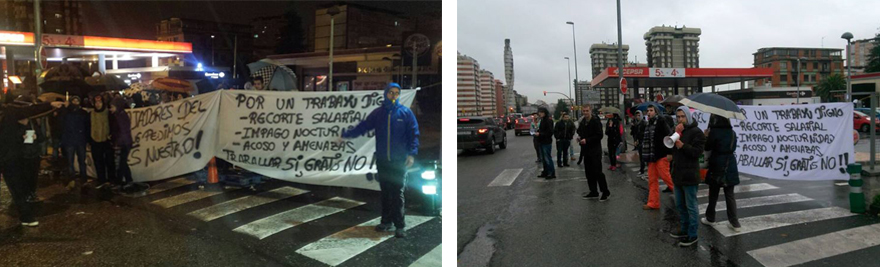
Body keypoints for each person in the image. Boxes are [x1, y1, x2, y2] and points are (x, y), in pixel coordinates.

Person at [341, 83, 419, 238]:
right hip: (383, 160)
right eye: (391, 92)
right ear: (385, 94)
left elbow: (414, 134)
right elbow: (363, 127)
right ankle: (386, 221)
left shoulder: (405, 113)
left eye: (396, 93)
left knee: (397, 193)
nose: (393, 95)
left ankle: (400, 225)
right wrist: (346, 135)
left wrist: (411, 154)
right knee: (385, 192)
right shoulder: (378, 113)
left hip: (399, 161)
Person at [0, 99, 61, 226]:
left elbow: (30, 111)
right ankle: (26, 216)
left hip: (13, 158)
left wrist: (49, 105)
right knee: (18, 189)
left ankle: (26, 215)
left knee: (19, 188)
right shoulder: (9, 115)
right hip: (9, 158)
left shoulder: (9, 115)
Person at [668, 106, 706, 247]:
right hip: (678, 174)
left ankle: (692, 234)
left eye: (682, 116)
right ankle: (684, 229)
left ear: (688, 117)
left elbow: (697, 152)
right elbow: (671, 147)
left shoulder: (697, 133)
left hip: (690, 175)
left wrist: (682, 145)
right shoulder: (677, 131)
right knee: (680, 205)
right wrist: (676, 135)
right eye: (678, 117)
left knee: (691, 206)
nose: (680, 119)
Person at [701, 114, 742, 233]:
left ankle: (710, 217)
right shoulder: (732, 132)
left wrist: (706, 136)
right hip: (730, 163)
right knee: (730, 195)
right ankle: (735, 222)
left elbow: (707, 147)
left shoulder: (714, 131)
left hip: (717, 163)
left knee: (713, 193)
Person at [642, 105, 675, 210]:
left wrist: (670, 152)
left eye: (651, 110)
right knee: (652, 179)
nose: (648, 112)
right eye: (647, 110)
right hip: (652, 156)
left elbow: (669, 136)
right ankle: (653, 203)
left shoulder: (661, 121)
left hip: (661, 154)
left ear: (656, 112)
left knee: (666, 177)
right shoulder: (648, 124)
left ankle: (681, 196)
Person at [577, 104, 610, 201]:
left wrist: (587, 140)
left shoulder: (595, 121)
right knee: (589, 172)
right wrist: (580, 138)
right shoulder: (583, 121)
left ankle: (605, 191)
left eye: (587, 111)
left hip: (595, 150)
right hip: (586, 150)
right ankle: (593, 191)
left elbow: (599, 135)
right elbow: (580, 132)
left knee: (598, 172)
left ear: (590, 110)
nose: (585, 113)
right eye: (584, 111)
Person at [61, 96, 90, 183]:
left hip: (80, 139)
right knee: (70, 161)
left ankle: (83, 177)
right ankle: (72, 178)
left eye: (77, 101)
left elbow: (87, 127)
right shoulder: (66, 112)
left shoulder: (83, 113)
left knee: (81, 160)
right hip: (70, 140)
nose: (76, 102)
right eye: (74, 101)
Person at [89, 95, 116, 188]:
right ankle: (101, 180)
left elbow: (113, 125)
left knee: (109, 161)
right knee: (98, 161)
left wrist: (111, 137)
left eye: (99, 102)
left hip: (106, 140)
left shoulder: (108, 113)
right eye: (96, 102)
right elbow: (88, 127)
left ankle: (111, 179)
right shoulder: (91, 114)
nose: (98, 104)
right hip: (95, 140)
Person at [110, 98, 133, 187]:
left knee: (122, 163)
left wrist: (118, 141)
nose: (111, 109)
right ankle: (128, 180)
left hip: (125, 143)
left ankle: (119, 182)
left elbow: (122, 131)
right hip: (124, 142)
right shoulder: (119, 115)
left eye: (112, 107)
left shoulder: (121, 116)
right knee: (123, 163)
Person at [535, 107, 555, 179]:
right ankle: (546, 172)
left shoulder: (548, 120)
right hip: (542, 141)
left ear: (544, 112)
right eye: (539, 112)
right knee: (544, 158)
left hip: (546, 142)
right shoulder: (542, 120)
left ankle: (551, 173)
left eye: (540, 112)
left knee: (547, 158)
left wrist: (540, 134)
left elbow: (550, 132)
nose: (539, 114)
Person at [631, 110, 647, 176]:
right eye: (636, 115)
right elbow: (634, 133)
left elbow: (646, 132)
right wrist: (635, 140)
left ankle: (643, 170)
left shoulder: (644, 123)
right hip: (639, 141)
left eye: (639, 115)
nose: (637, 117)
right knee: (641, 156)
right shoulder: (636, 123)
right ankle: (642, 169)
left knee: (644, 157)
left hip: (644, 141)